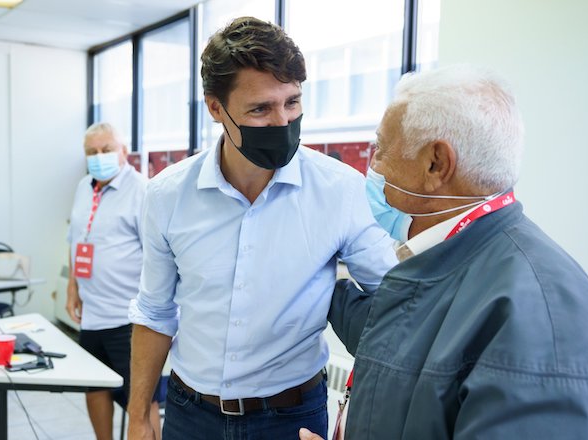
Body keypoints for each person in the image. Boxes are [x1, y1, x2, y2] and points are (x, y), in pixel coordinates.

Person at [300, 65, 588, 440]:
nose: (373, 166)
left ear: (436, 163)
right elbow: (404, 349)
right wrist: (327, 280)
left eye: (381, 149)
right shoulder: (451, 262)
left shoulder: (535, 315)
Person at [127, 16, 397, 440]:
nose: (282, 121)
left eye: (291, 102)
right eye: (260, 108)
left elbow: (394, 299)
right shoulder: (167, 195)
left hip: (291, 417)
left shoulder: (340, 191)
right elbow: (155, 312)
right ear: (216, 108)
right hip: (190, 413)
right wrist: (139, 414)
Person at [65, 123, 161, 440]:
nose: (99, 156)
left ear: (123, 151)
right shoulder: (83, 187)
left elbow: (157, 256)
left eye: (106, 149)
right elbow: (75, 239)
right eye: (92, 152)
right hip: (92, 313)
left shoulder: (142, 190)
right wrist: (72, 288)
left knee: (141, 400)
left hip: (129, 317)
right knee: (95, 387)